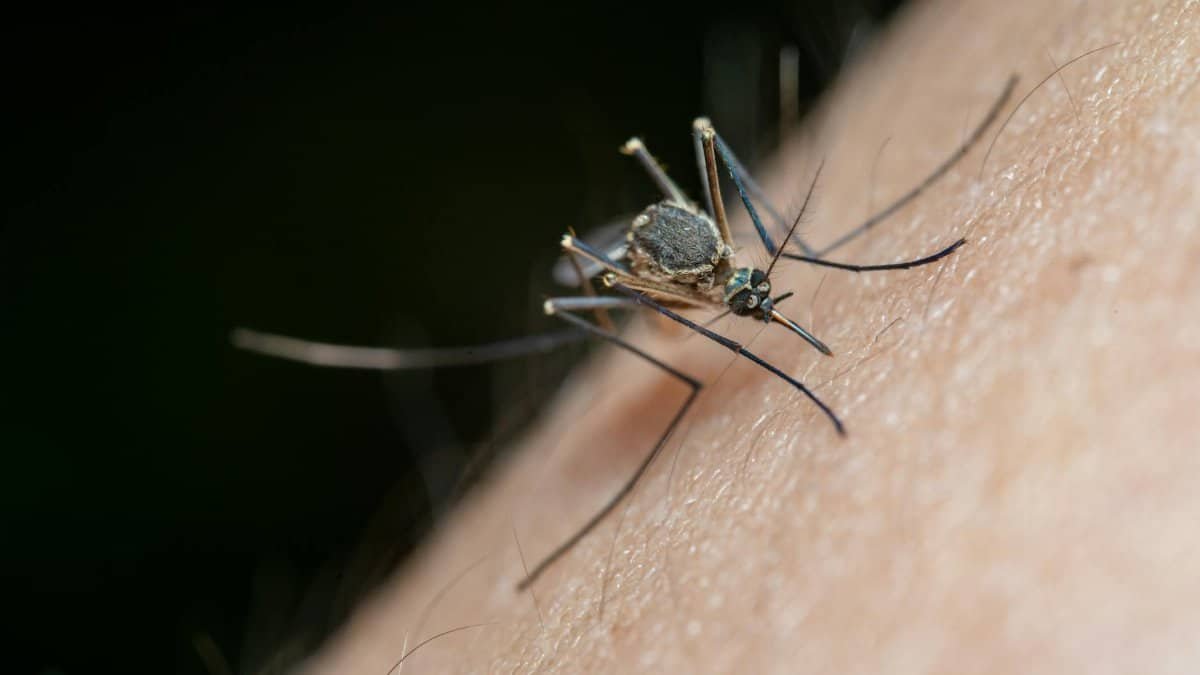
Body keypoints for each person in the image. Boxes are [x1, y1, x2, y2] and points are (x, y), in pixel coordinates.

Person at [301, 0, 1200, 671]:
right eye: (750, 296)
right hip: (641, 273)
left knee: (705, 150)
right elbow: (629, 282)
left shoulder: (736, 262)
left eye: (756, 290)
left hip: (691, 245)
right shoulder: (687, 285)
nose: (761, 302)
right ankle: (688, 380)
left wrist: (803, 258)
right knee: (593, 283)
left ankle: (818, 252)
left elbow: (743, 244)